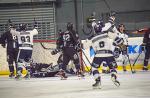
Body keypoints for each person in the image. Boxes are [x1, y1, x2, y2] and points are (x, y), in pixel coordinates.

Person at [86, 11, 123, 89]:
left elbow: (83, 45)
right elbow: (118, 39)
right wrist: (120, 42)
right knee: (113, 68)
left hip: (98, 54)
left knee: (94, 68)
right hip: (109, 54)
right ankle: (113, 77)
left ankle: (98, 81)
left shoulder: (93, 37)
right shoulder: (107, 33)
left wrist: (92, 17)